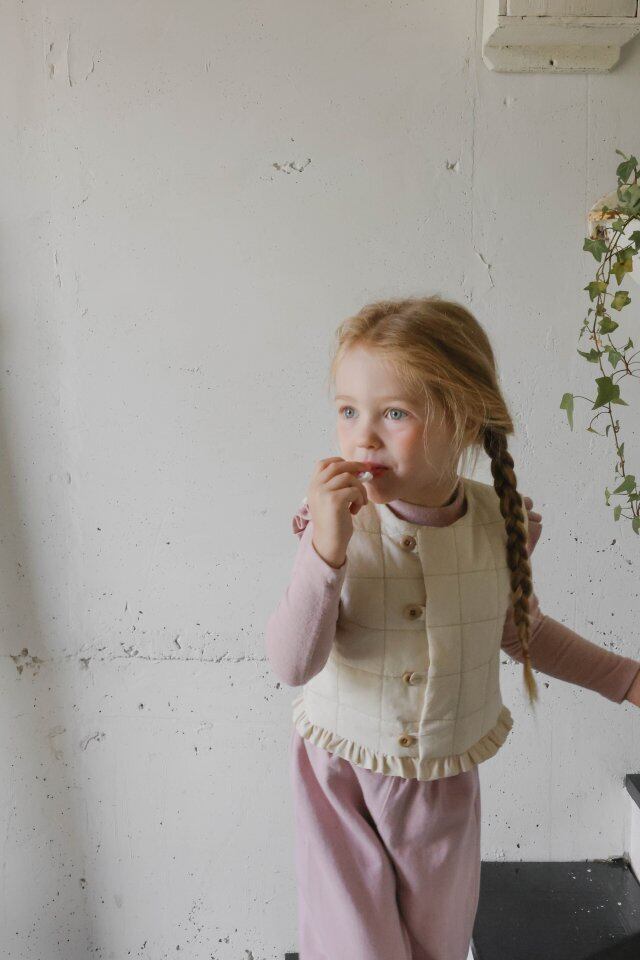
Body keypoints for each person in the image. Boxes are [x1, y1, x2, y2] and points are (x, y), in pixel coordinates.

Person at [264, 294, 640, 960]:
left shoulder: (502, 522)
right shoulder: (334, 523)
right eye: (348, 411)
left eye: (394, 413)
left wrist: (626, 679)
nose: (362, 437)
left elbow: (517, 631)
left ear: (465, 419)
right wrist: (326, 550)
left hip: (442, 780)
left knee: (436, 947)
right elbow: (292, 664)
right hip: (341, 776)